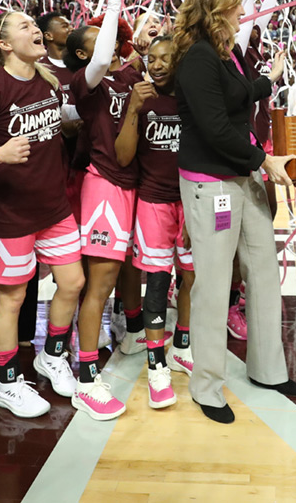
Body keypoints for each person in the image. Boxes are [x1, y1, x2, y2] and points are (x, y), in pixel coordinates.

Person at [173, 0, 296, 424]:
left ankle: (268, 369)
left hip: (242, 176)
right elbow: (214, 127)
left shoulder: (224, 53)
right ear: (219, 8)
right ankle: (207, 386)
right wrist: (260, 158)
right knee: (212, 285)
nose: (243, 9)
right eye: (237, 2)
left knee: (264, 272)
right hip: (213, 182)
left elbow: (240, 93)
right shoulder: (196, 57)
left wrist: (267, 81)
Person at [0, 11, 85, 420]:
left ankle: (53, 356)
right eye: (24, 26)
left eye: (34, 24)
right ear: (5, 44)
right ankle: (9, 383)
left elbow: (59, 122)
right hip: (7, 214)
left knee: (73, 282)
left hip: (53, 206)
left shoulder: (47, 79)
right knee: (11, 299)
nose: (35, 30)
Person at [63, 0, 142, 420]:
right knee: (101, 283)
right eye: (99, 44)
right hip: (104, 187)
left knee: (124, 275)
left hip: (134, 186)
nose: (110, 49)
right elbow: (100, 57)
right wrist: (112, 4)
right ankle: (87, 378)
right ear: (82, 55)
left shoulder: (130, 75)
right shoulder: (85, 81)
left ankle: (125, 336)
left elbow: (131, 47)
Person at [115, 35, 196, 409]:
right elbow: (123, 156)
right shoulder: (141, 99)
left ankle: (182, 344)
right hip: (154, 201)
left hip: (193, 199)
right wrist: (132, 109)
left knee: (193, 275)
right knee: (158, 281)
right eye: (152, 58)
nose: (158, 64)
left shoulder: (192, 97)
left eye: (166, 58)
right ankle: (156, 364)